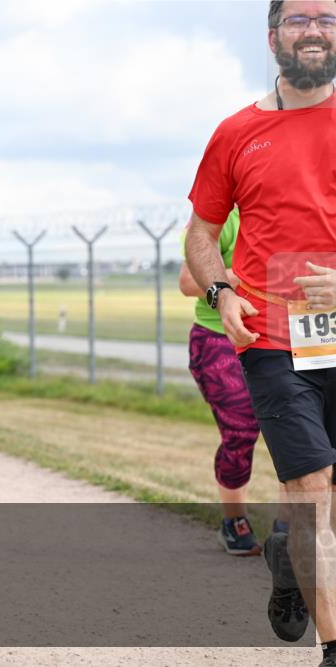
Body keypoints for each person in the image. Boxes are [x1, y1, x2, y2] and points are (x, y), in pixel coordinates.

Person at [185, 1, 335, 660]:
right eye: (300, 18)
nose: (314, 29)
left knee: (321, 506)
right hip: (274, 342)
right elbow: (201, 235)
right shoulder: (235, 133)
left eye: (328, 18)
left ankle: (286, 553)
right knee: (309, 489)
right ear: (273, 36)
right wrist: (221, 291)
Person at [179, 209, 274, 556]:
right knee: (242, 429)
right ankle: (234, 521)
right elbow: (188, 282)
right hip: (218, 339)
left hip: (280, 339)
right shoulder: (223, 215)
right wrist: (251, 278)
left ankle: (299, 523)